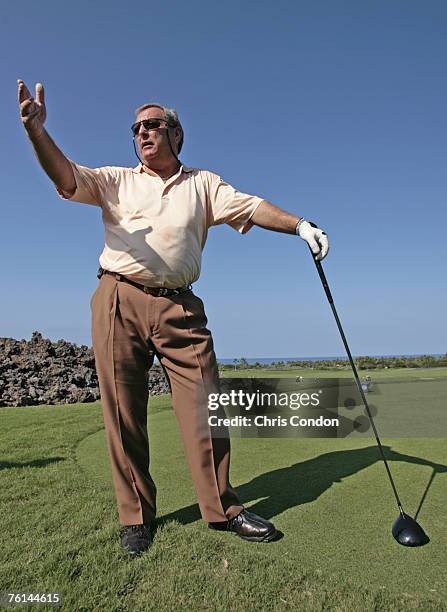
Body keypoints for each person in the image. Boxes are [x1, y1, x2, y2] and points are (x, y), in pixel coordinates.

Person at [18, 80, 329, 556]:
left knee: (207, 401)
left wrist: (301, 225)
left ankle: (223, 508)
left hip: (181, 305)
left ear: (176, 135)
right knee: (124, 413)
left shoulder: (204, 184)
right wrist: (38, 131)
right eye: (136, 127)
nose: (143, 133)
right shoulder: (115, 180)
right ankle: (136, 517)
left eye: (153, 125)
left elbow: (252, 206)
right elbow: (65, 177)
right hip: (118, 298)